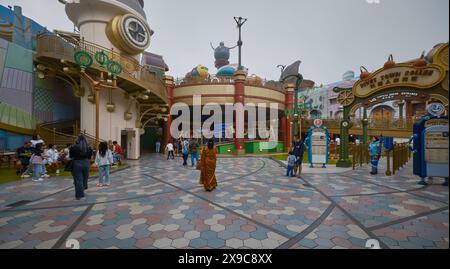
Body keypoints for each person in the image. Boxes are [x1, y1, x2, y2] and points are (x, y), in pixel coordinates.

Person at [70, 135, 93, 200]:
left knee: (78, 179)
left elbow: (71, 156)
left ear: (77, 140)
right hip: (86, 163)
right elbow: (89, 157)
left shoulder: (73, 147)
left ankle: (80, 195)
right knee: (85, 178)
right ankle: (83, 188)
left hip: (76, 163)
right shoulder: (89, 147)